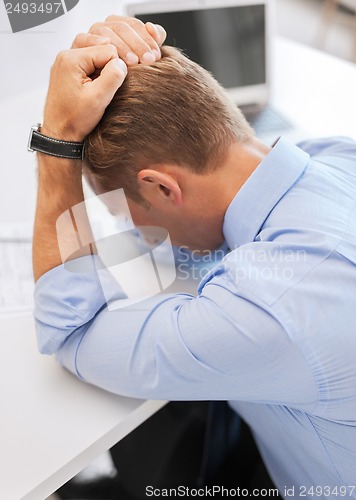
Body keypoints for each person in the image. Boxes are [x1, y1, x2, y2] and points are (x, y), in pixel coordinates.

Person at [32, 15, 356, 499]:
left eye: (124, 210)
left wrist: (56, 143)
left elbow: (67, 331)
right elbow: (169, 238)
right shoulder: (333, 156)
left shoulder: (270, 309)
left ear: (162, 187)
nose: (127, 226)